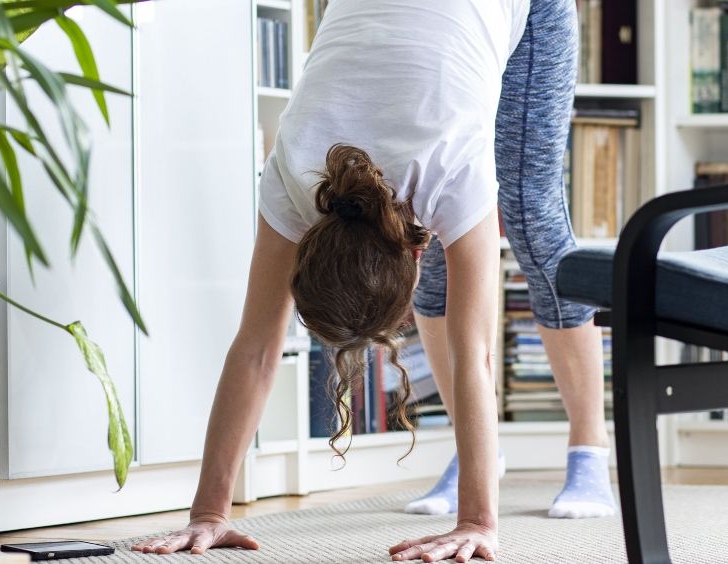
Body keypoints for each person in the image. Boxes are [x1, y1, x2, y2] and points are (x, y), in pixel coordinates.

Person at [130, 0, 613, 560]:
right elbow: (255, 351)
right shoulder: (293, 173)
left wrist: (478, 523)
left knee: (532, 217)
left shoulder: (450, 168)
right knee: (455, 276)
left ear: (414, 248)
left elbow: (476, 354)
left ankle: (588, 449)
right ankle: (478, 456)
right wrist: (208, 515)